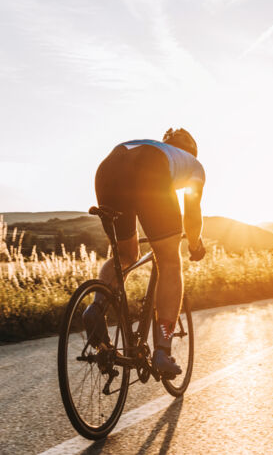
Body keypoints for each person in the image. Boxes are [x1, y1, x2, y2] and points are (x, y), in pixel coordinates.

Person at [84, 128, 206, 377]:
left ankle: (96, 308)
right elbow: (192, 214)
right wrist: (195, 244)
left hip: (108, 169)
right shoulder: (194, 164)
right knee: (170, 262)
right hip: (151, 171)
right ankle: (162, 350)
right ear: (191, 151)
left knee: (125, 256)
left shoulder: (151, 145)